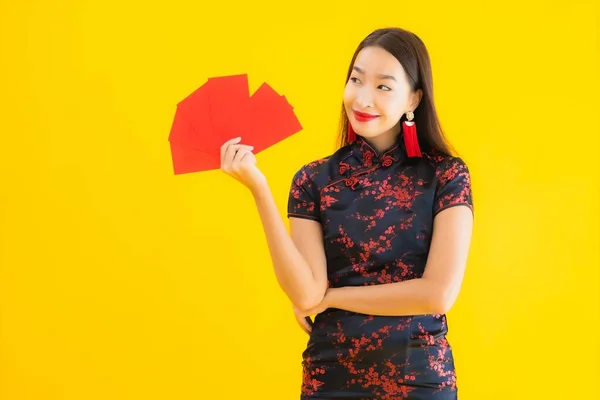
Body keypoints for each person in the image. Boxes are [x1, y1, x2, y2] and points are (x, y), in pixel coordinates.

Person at [220, 27, 474, 400]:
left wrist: (332, 298)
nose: (362, 97)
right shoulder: (314, 180)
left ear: (414, 99)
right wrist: (259, 189)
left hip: (419, 380)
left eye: (383, 86)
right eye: (356, 80)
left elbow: (437, 295)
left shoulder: (446, 175)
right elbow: (306, 293)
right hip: (331, 376)